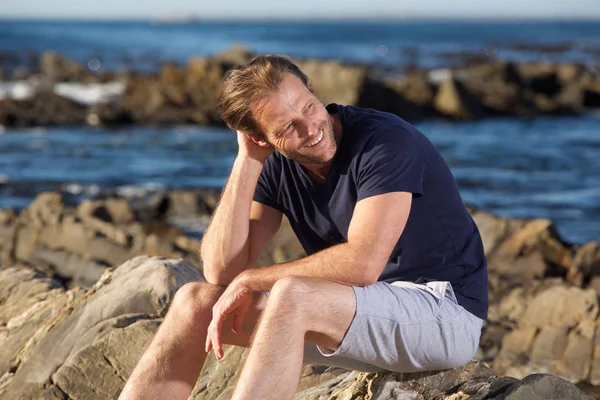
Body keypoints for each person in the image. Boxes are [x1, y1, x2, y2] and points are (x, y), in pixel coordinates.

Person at [118, 55, 488, 400]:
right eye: (287, 127)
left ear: (312, 89)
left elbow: (362, 264)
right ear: (261, 138)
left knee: (293, 294)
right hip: (356, 319)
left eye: (309, 106)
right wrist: (248, 162)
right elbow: (221, 270)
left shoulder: (384, 142)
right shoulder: (276, 162)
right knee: (194, 302)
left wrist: (252, 280)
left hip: (443, 313)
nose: (311, 128)